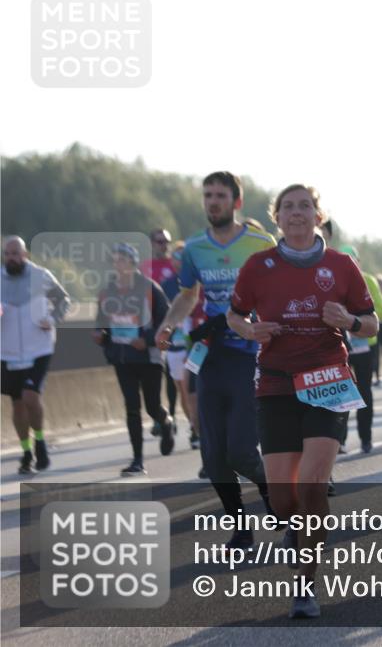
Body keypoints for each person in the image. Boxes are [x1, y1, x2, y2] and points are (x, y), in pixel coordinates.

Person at [228, 184, 377, 619]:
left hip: (328, 378)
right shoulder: (258, 266)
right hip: (275, 384)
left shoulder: (342, 265)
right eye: (288, 207)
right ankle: (299, 532)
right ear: (277, 217)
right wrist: (247, 330)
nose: (297, 213)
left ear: (318, 214)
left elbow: (371, 325)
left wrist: (349, 320)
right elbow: (234, 314)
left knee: (312, 485)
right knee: (282, 498)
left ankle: (306, 584)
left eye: (305, 206)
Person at [155, 171, 275, 550]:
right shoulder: (194, 248)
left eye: (220, 195)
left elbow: (274, 297)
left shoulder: (260, 243)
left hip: (249, 356)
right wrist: (169, 324)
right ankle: (241, 527)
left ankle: (272, 491)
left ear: (236, 202)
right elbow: (189, 296)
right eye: (207, 195)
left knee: (240, 449)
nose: (213, 202)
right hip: (210, 355)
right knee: (213, 453)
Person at [94, 243, 174, 476]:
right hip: (122, 357)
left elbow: (167, 321)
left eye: (121, 260)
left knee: (151, 406)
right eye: (115, 260)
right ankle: (138, 460)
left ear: (132, 262)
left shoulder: (150, 288)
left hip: (148, 357)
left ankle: (165, 421)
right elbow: (103, 321)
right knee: (132, 408)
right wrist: (100, 334)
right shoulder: (108, 290)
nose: (117, 264)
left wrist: (148, 340)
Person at [1, 236, 70, 474]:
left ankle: (40, 441)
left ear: (25, 255)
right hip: (8, 352)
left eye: (15, 253)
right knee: (18, 404)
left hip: (39, 348)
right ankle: (26, 451)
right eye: (7, 254)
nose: (11, 258)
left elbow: (63, 300)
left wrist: (51, 320)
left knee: (30, 397)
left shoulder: (41, 276)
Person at [339, 244, 382, 454]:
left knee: (364, 392)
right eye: (344, 260)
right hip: (341, 347)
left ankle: (365, 439)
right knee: (342, 394)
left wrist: (356, 319)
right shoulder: (329, 279)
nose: (349, 264)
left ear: (358, 261)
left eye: (352, 260)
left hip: (365, 346)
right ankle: (339, 440)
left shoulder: (367, 280)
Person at [160, 241, 206, 463]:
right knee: (183, 390)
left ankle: (202, 435)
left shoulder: (201, 280)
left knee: (193, 392)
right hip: (174, 345)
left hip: (198, 344)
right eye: (176, 257)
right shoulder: (167, 284)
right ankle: (195, 427)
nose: (180, 261)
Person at [141, 228, 179, 434]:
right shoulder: (145, 267)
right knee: (160, 374)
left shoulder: (175, 265)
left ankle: (170, 413)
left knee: (173, 373)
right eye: (159, 241)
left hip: (174, 324)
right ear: (151, 244)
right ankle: (161, 416)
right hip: (153, 327)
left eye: (167, 241)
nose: (164, 245)